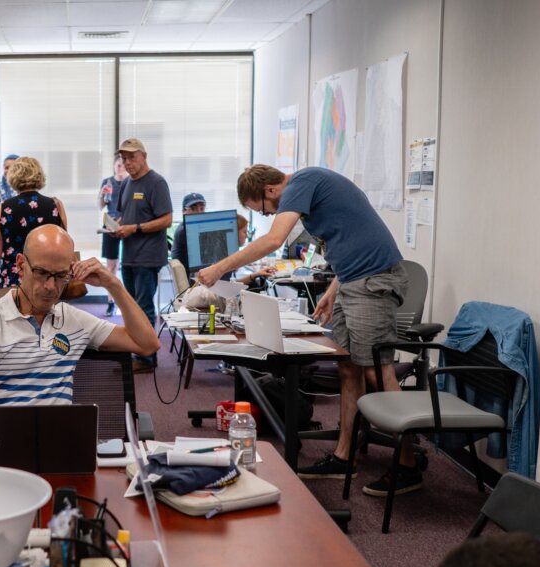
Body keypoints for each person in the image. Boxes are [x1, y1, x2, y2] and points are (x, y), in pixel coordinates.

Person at [198, 164, 414, 494]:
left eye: (265, 210)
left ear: (270, 191)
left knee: (377, 371)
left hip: (375, 281)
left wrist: (220, 267)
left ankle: (408, 464)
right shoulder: (310, 189)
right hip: (353, 281)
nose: (272, 215)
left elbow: (274, 240)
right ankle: (344, 457)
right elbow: (353, 237)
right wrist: (332, 291)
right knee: (347, 366)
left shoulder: (302, 182)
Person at [0, 224, 160, 407]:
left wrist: (113, 284)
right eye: (41, 272)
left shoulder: (73, 320)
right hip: (7, 443)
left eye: (61, 276)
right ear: (20, 265)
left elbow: (147, 344)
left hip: (62, 443)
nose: (50, 286)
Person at [112, 138, 173, 373]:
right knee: (131, 308)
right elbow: (126, 215)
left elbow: (166, 219)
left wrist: (134, 228)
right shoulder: (126, 184)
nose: (127, 162)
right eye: (124, 158)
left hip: (147, 257)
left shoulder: (156, 183)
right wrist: (118, 226)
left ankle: (146, 360)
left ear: (144, 156)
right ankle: (137, 352)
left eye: (132, 157)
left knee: (143, 307)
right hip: (128, 254)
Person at [0, 156, 68, 296]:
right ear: (39, 175)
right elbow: (63, 246)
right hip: (46, 281)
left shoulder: (2, 208)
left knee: (8, 318)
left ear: (13, 176)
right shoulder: (55, 205)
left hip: (12, 280)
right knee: (45, 318)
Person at [169, 192, 278, 282]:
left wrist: (253, 274)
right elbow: (221, 286)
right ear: (184, 211)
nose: (199, 213)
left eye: (202, 208)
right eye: (193, 209)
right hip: (196, 287)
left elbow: (225, 284)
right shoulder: (185, 231)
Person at [98, 155, 129, 315]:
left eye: (123, 165)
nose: (121, 168)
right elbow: (101, 205)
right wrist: (102, 195)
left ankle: (128, 302)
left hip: (127, 223)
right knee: (111, 266)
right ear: (114, 166)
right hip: (110, 224)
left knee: (129, 264)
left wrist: (123, 219)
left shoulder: (131, 182)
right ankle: (111, 301)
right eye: (118, 165)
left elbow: (132, 206)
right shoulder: (107, 182)